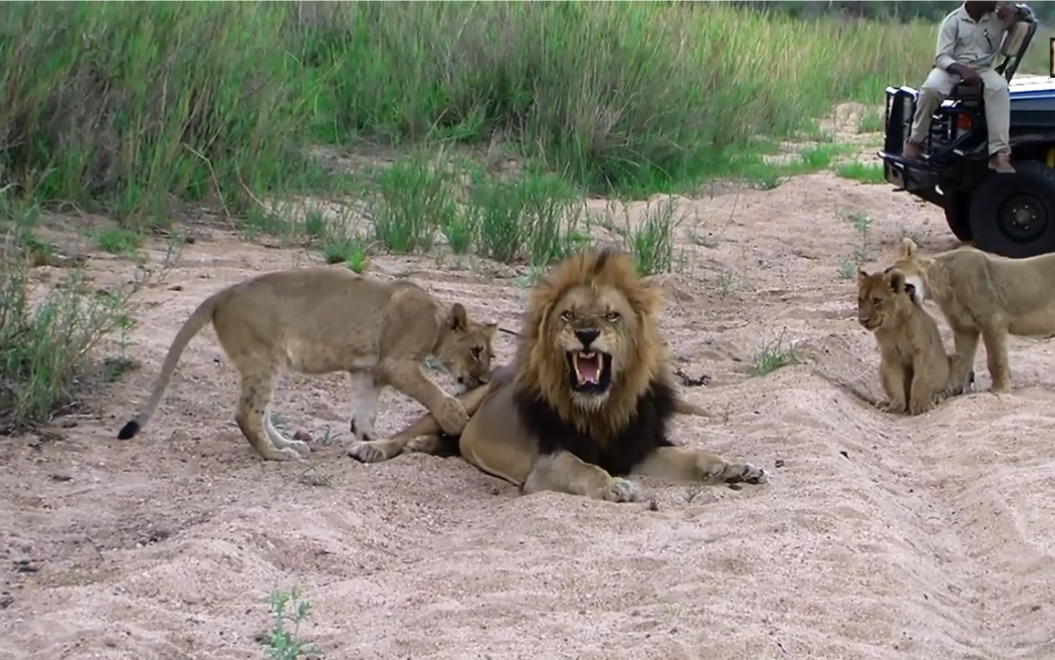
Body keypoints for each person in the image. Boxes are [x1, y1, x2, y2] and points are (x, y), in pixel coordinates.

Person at [903, 1, 1032, 174]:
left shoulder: (998, 18)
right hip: (952, 67)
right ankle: (915, 140)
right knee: (931, 89)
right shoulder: (953, 21)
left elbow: (1029, 16)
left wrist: (1016, 9)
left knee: (999, 88)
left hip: (982, 68)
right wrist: (962, 70)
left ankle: (998, 153)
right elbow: (942, 57)